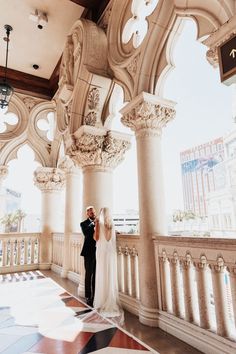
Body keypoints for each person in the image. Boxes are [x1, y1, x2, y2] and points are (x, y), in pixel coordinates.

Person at [93, 207, 124, 322]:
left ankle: (102, 300)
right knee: (109, 276)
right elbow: (109, 238)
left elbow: (96, 238)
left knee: (102, 275)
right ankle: (109, 298)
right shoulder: (111, 224)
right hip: (110, 254)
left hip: (102, 254)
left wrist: (96, 226)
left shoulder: (99, 224)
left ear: (101, 214)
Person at [80, 206, 96, 307]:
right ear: (87, 214)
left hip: (97, 251)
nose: (93, 213)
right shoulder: (83, 224)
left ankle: (95, 295)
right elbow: (87, 233)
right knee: (88, 274)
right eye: (90, 212)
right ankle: (88, 296)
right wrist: (94, 223)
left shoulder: (99, 222)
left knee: (96, 274)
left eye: (93, 212)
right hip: (88, 252)